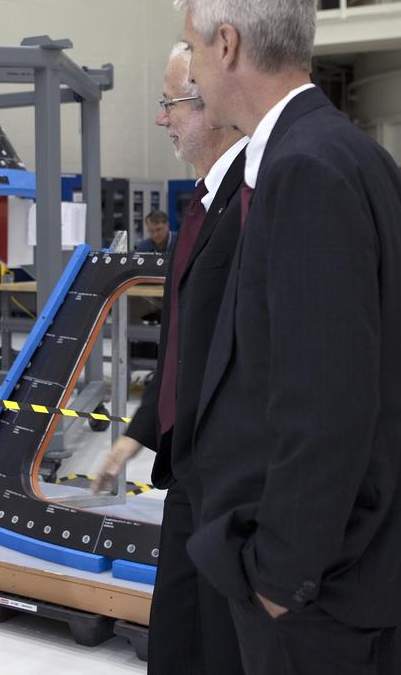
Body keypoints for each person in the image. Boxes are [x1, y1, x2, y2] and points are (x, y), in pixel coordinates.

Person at [175, 0, 401, 674]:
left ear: (227, 43)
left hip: (320, 585)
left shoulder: (305, 170)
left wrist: (278, 576)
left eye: (196, 49)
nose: (194, 73)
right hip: (351, 564)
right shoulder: (354, 154)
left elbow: (327, 398)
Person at [94, 41, 248, 674]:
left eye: (170, 103)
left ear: (210, 101)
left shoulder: (254, 200)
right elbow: (189, 335)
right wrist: (139, 432)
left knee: (212, 645)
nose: (162, 119)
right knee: (178, 638)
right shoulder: (206, 203)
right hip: (191, 469)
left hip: (232, 480)